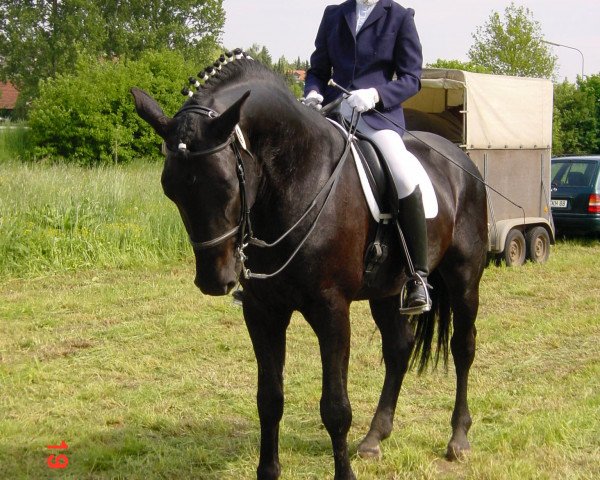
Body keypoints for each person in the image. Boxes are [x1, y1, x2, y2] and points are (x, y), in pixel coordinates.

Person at [303, 0, 431, 313]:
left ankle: (418, 277)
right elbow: (318, 70)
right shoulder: (334, 14)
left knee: (402, 175)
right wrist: (314, 94)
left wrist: (376, 94)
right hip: (332, 114)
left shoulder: (400, 17)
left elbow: (412, 77)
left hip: (376, 117)